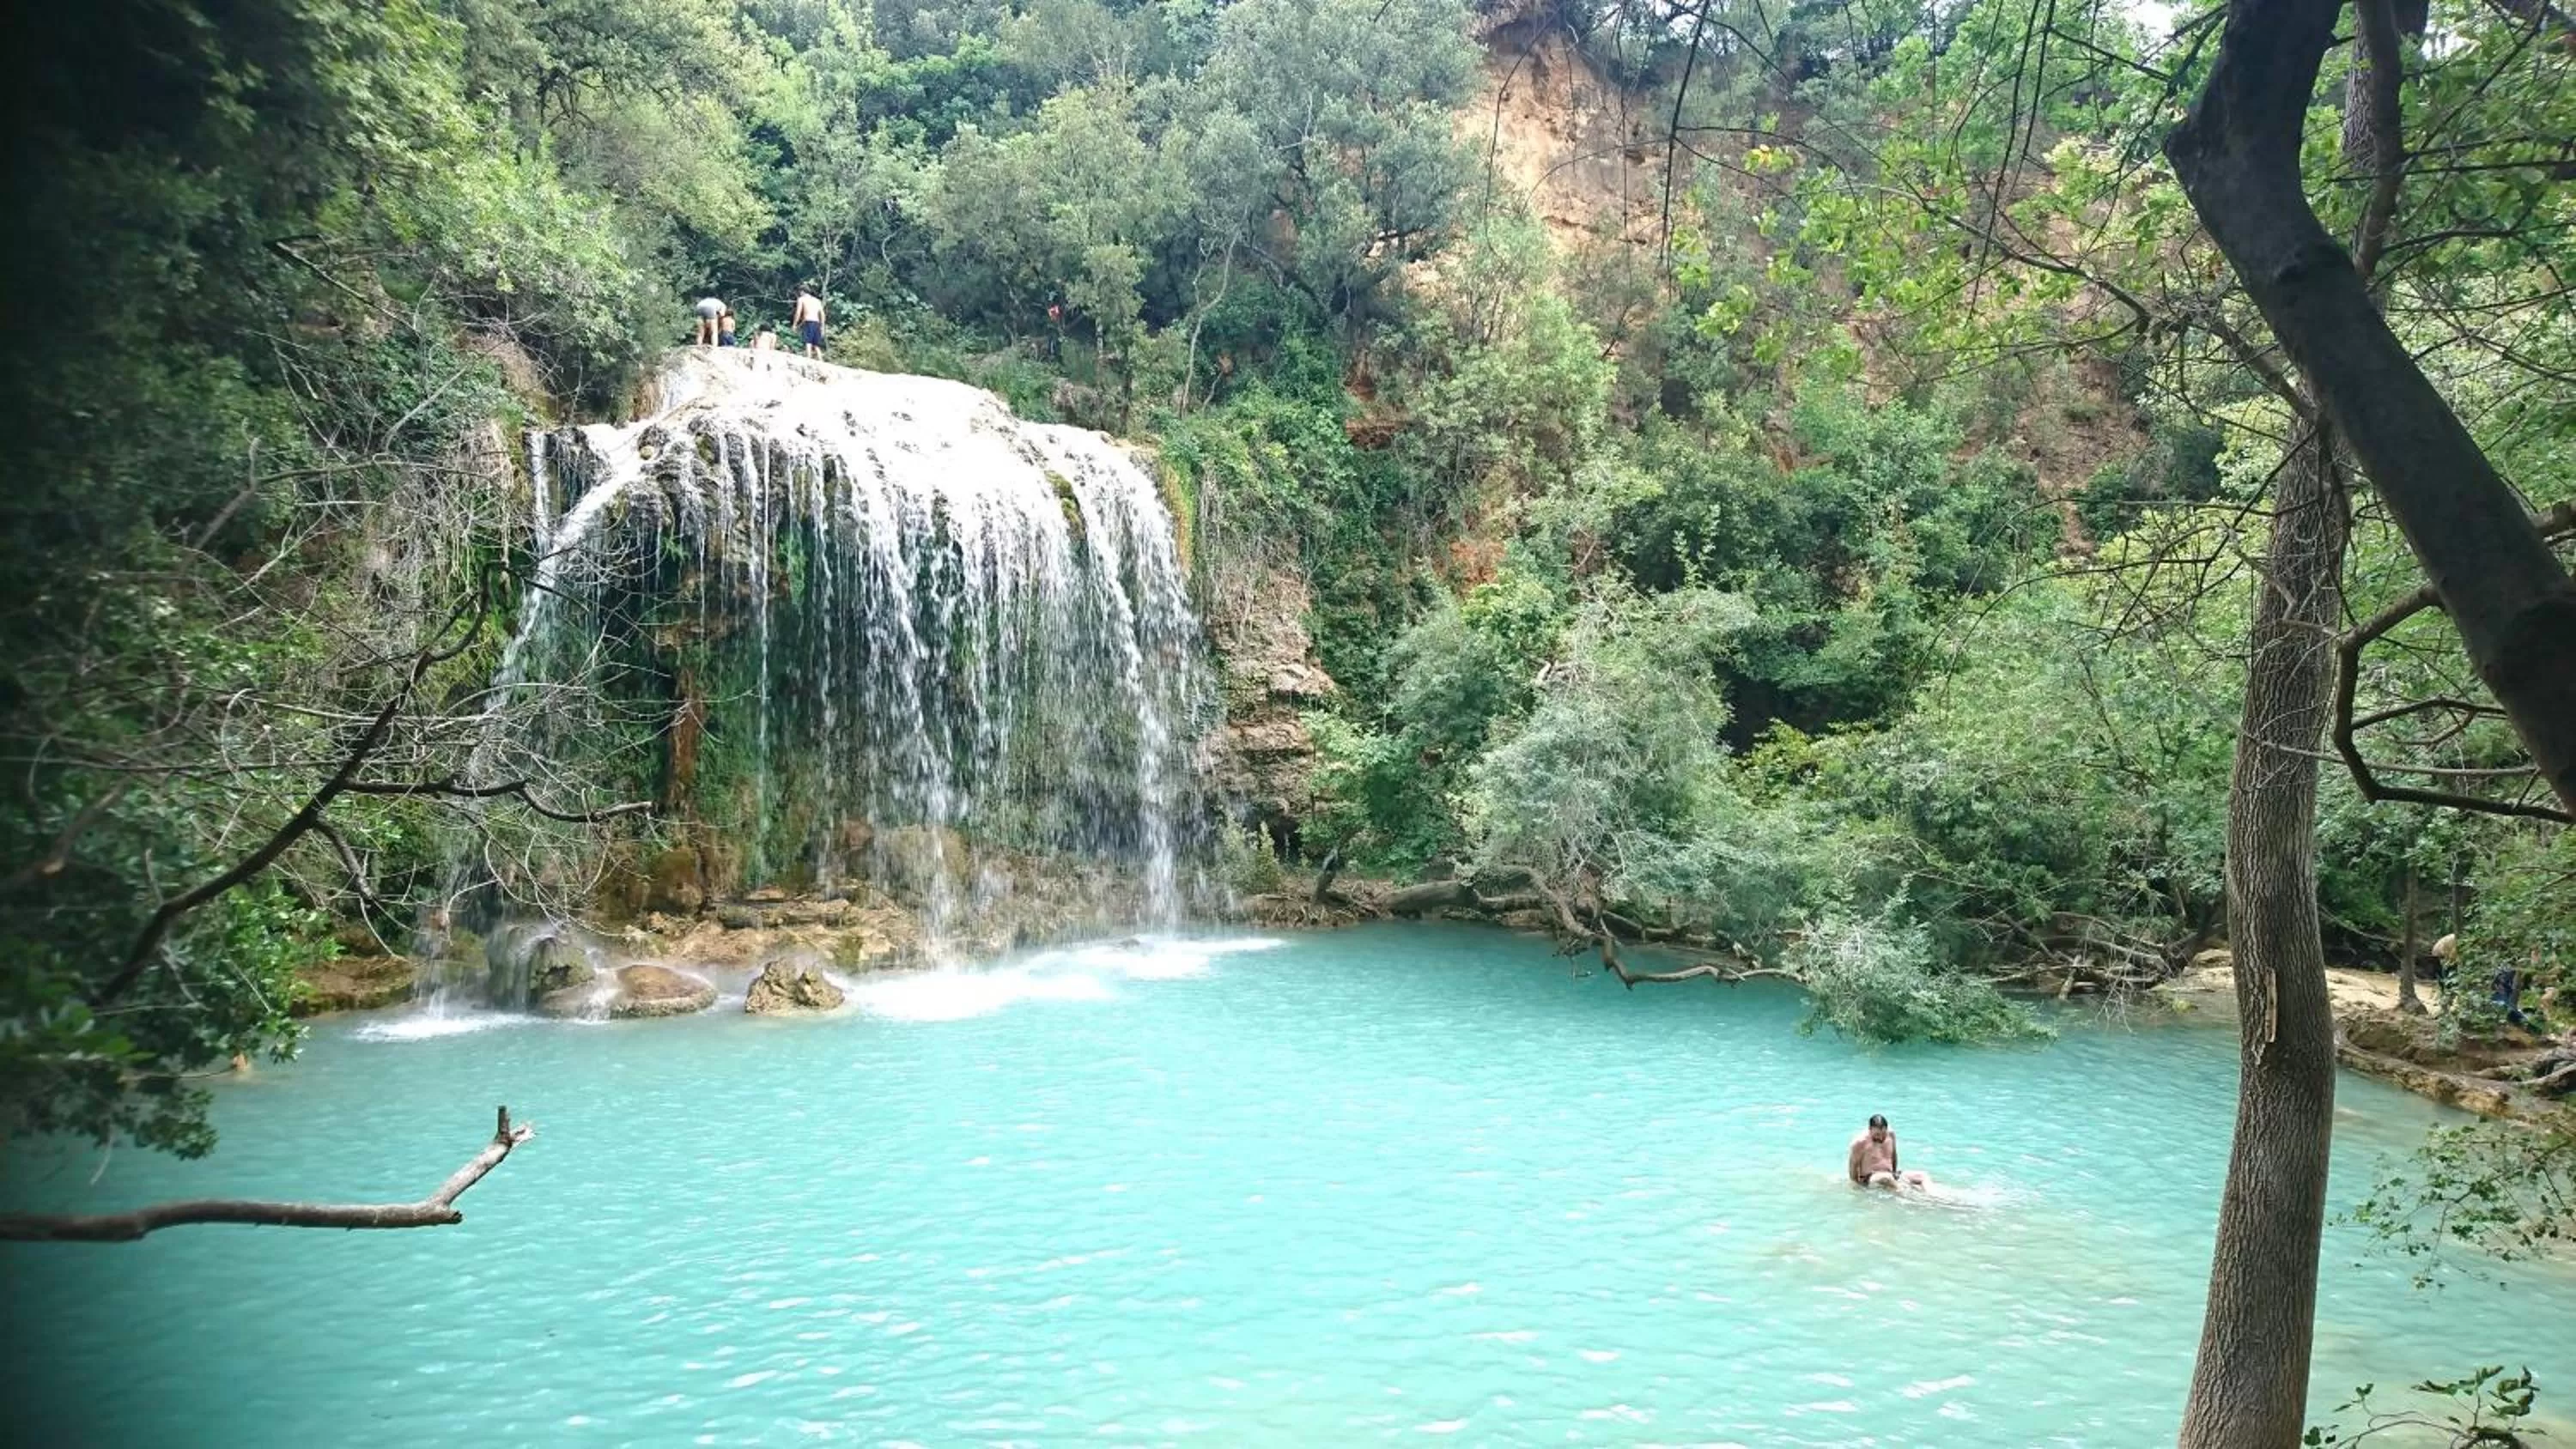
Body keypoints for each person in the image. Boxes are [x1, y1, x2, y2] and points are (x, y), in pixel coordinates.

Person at [1849, 1114, 1929, 1191]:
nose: (1880, 1138)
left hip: (1890, 1174)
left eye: (1883, 1134)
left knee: (1922, 1175)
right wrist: (1858, 1188)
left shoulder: (1891, 1134)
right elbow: (1853, 1168)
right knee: (1886, 1178)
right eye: (1877, 1134)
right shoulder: (1859, 1143)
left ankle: (1933, 1196)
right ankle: (1908, 1196)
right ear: (1870, 1129)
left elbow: (1894, 1155)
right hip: (1870, 1178)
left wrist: (1895, 1173)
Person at [793, 286, 826, 357]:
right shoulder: (817, 301)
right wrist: (822, 327)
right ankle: (820, 360)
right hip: (817, 322)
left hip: (808, 321)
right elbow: (822, 314)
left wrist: (794, 324)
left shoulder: (801, 299)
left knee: (808, 342)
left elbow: (798, 312)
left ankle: (808, 358)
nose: (799, 293)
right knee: (816, 344)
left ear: (802, 291)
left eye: (799, 292)